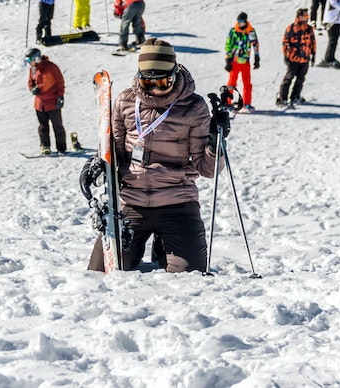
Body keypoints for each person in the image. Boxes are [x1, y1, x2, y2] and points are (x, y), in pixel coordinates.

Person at [81, 38, 229, 273]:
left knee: (191, 277)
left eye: (164, 81)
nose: (156, 90)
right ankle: (153, 240)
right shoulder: (125, 102)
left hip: (177, 203)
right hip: (132, 204)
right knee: (100, 273)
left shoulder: (194, 107)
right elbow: (114, 153)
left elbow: (208, 170)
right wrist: (97, 163)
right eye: (149, 83)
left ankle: (165, 242)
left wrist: (215, 143)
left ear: (175, 73)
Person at [26, 47, 67, 155]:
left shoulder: (51, 67)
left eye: (30, 60)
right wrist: (33, 89)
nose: (29, 63)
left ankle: (61, 147)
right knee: (43, 126)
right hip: (40, 104)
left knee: (57, 126)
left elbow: (60, 82)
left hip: (52, 102)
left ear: (37, 58)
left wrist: (60, 96)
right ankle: (45, 146)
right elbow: (30, 82)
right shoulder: (33, 69)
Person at [277, 8, 316, 107]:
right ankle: (283, 98)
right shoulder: (291, 28)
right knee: (288, 78)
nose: (306, 18)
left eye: (307, 16)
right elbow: (285, 42)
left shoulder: (309, 29)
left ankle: (295, 96)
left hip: (305, 58)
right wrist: (286, 55)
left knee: (301, 79)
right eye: (304, 16)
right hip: (294, 58)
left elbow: (312, 42)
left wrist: (313, 54)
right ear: (299, 16)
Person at [224, 12, 260, 112]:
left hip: (245, 62)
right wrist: (228, 59)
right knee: (231, 83)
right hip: (234, 62)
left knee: (247, 84)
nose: (239, 23)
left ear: (245, 22)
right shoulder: (233, 31)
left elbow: (255, 45)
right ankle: (227, 103)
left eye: (241, 22)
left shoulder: (250, 31)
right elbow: (228, 45)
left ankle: (247, 103)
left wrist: (257, 58)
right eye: (238, 21)